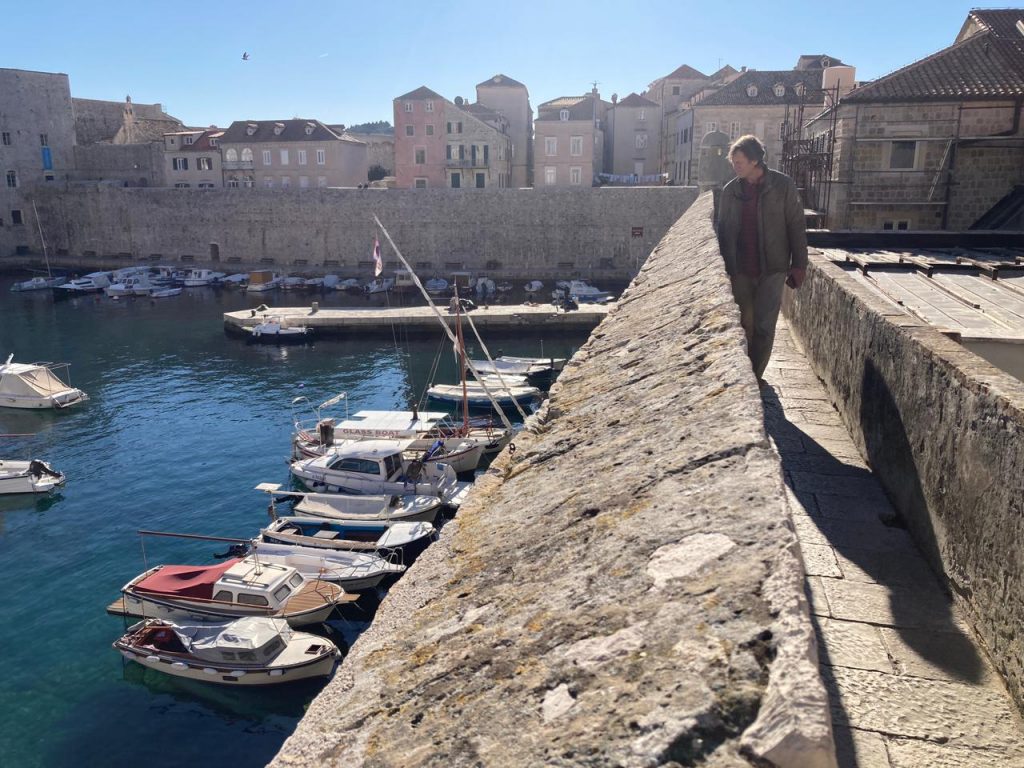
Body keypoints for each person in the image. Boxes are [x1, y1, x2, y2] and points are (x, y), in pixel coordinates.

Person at [716, 134, 807, 384]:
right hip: (740, 269)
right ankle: (743, 375)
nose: (735, 167)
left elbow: (796, 225)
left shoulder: (783, 186)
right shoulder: (731, 191)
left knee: (765, 327)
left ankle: (755, 378)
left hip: (773, 268)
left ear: (754, 161)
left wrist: (799, 265)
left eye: (739, 162)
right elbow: (723, 231)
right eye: (733, 162)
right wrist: (725, 267)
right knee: (744, 324)